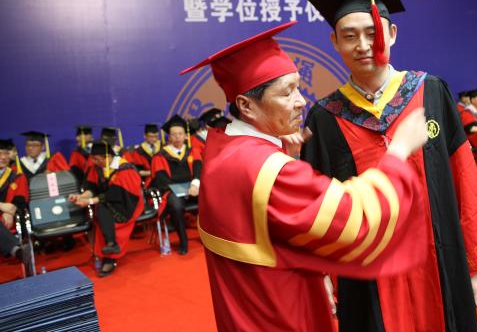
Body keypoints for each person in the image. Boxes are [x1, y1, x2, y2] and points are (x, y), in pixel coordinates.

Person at [180, 21, 431, 331]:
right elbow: (356, 220)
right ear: (246, 105)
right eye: (287, 93)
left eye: (298, 86)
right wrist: (398, 152)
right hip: (283, 318)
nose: (301, 100)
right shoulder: (267, 170)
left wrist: (283, 153)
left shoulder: (221, 149)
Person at [304, 0, 477, 332]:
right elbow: (320, 210)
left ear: (392, 34)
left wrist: (473, 265)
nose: (363, 45)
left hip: (440, 260)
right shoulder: (325, 118)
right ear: (335, 42)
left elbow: (465, 178)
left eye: (372, 33)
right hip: (366, 275)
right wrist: (321, 275)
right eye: (350, 36)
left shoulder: (431, 93)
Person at [69, 142, 143, 277]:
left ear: (108, 157)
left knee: (102, 209)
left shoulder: (125, 168)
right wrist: (81, 196)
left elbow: (117, 193)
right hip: (106, 202)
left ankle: (110, 255)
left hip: (127, 203)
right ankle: (111, 247)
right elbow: (92, 188)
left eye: (97, 159)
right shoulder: (97, 168)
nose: (94, 162)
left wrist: (90, 201)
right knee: (101, 209)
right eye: (93, 159)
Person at [150, 114, 201, 254]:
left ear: (185, 136)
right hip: (172, 191)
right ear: (169, 137)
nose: (177, 137)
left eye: (180, 134)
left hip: (193, 188)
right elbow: (161, 178)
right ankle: (183, 241)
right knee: (176, 206)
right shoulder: (161, 156)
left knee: (211, 199)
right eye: (174, 134)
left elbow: (199, 170)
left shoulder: (192, 151)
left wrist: (195, 184)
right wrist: (180, 190)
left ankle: (210, 236)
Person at [0, 139, 29, 228]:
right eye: (0, 153)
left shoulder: (17, 177)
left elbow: (19, 202)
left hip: (8, 223)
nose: (3, 157)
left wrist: (9, 213)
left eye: (6, 153)